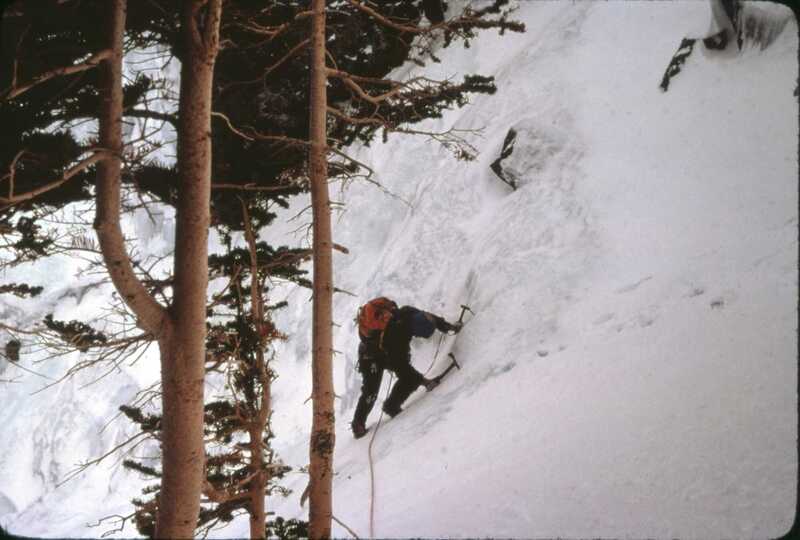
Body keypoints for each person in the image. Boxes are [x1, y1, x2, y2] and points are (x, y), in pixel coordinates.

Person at [350, 298, 461, 439]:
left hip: (381, 349)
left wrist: (448, 327)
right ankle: (358, 424)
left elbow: (431, 318)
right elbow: (403, 369)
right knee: (371, 391)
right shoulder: (396, 336)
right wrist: (425, 382)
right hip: (371, 356)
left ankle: (391, 406)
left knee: (405, 379)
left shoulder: (408, 313)